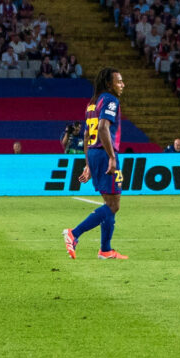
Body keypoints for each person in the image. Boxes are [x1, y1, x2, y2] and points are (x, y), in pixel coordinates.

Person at [62, 68, 128, 261]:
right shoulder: (110, 100)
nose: (122, 85)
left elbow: (85, 134)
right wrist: (111, 157)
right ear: (109, 84)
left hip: (94, 153)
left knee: (110, 202)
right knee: (114, 205)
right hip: (104, 153)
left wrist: (89, 164)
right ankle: (74, 233)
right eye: (119, 81)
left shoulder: (92, 103)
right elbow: (102, 127)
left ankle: (105, 250)